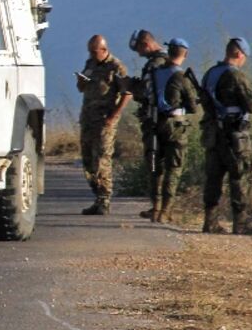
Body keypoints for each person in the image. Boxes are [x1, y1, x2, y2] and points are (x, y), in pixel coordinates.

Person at [200, 37, 252, 235]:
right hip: (234, 135)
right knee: (239, 176)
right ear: (239, 54)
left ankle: (209, 221)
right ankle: (240, 222)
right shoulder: (236, 76)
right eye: (244, 56)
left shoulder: (210, 74)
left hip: (213, 133)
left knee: (214, 177)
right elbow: (251, 106)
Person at [77, 35, 133, 215]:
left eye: (95, 52)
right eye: (90, 52)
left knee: (102, 159)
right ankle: (97, 195)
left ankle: (104, 199)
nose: (92, 55)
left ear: (104, 49)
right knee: (88, 161)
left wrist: (114, 115)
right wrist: (81, 82)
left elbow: (128, 93)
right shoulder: (90, 64)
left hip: (104, 121)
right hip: (88, 118)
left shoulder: (116, 67)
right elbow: (82, 89)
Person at [149, 38, 200, 223]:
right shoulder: (181, 77)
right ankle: (166, 210)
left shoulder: (155, 72)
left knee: (157, 168)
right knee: (174, 168)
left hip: (156, 123)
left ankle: (155, 207)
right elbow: (193, 107)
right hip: (176, 125)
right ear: (185, 54)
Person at [129, 29, 170, 218]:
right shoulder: (165, 61)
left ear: (146, 44)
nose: (138, 54)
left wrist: (128, 86)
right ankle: (160, 207)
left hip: (155, 121)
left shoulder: (155, 64)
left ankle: (158, 207)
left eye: (139, 49)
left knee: (154, 163)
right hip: (162, 121)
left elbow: (147, 92)